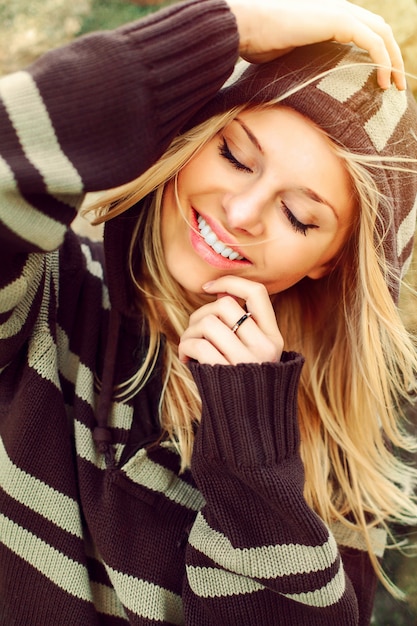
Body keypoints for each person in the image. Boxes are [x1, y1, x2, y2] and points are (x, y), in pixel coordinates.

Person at [1, 0, 416, 624]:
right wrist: (228, 28)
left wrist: (252, 454)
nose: (243, 213)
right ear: (195, 139)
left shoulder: (332, 466)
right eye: (234, 156)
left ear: (330, 262)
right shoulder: (45, 287)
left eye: (299, 216)